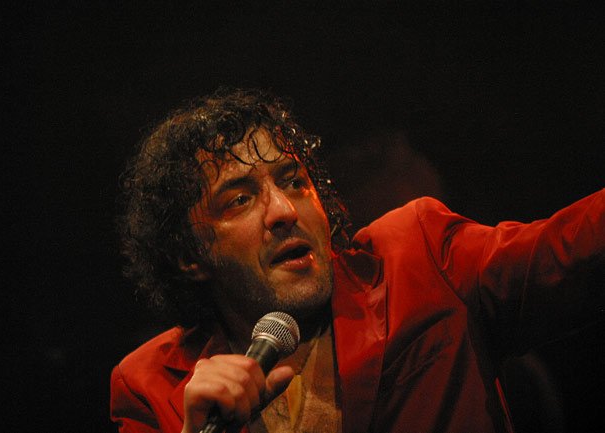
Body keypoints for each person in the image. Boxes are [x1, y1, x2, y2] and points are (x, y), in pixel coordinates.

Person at [110, 88, 604, 433]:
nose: (283, 211)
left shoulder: (417, 256)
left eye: (292, 181)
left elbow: (571, 251)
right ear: (189, 255)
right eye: (240, 199)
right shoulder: (150, 386)